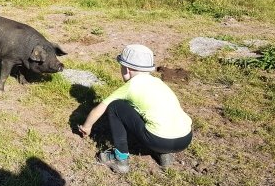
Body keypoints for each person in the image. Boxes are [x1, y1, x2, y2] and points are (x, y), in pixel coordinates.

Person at [78, 44, 192, 173]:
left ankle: (120, 159)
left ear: (126, 70)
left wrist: (86, 127)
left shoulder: (130, 86)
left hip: (158, 139)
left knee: (115, 106)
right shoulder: (158, 83)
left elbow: (98, 110)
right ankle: (164, 154)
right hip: (185, 138)